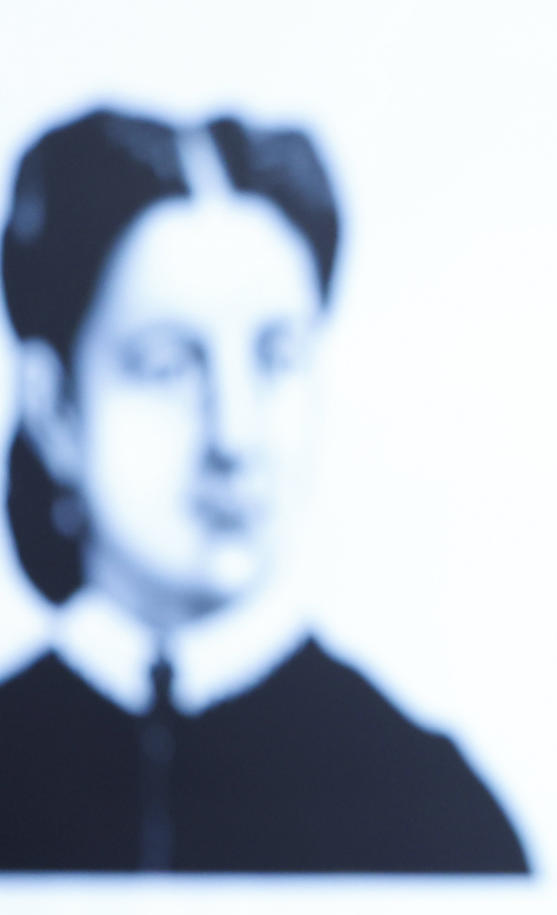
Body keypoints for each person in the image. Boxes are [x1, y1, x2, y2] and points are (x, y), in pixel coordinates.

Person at [0, 107, 526, 873]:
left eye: (276, 359)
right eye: (168, 368)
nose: (234, 437)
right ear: (55, 408)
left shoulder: (428, 805)